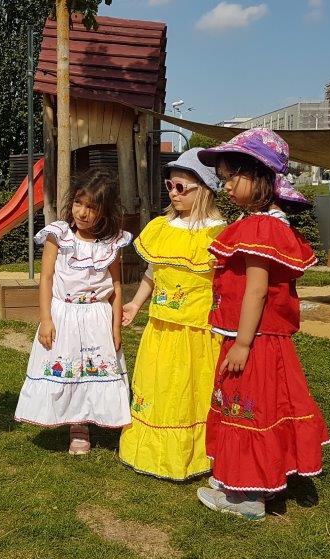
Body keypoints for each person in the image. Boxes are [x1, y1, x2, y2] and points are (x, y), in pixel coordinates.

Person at [194, 128, 330, 520]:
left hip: (252, 338)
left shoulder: (259, 228)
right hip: (264, 338)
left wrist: (240, 343)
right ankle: (255, 480)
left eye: (231, 177)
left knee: (246, 407)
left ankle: (247, 497)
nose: (226, 187)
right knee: (263, 408)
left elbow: (256, 292)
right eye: (223, 180)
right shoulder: (268, 223)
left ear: (260, 176)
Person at [117, 148, 227, 479]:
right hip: (161, 328)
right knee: (160, 386)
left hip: (197, 330)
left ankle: (194, 455)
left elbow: (225, 284)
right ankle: (151, 451)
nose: (173, 193)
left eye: (181, 188)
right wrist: (136, 304)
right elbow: (154, 270)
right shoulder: (163, 226)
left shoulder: (218, 232)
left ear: (204, 190)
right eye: (170, 186)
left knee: (190, 389)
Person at [15, 168, 132, 454]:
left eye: (91, 207)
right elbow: (46, 278)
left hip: (96, 317)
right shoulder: (59, 235)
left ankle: (93, 418)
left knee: (93, 367)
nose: (82, 212)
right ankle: (75, 426)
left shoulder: (111, 244)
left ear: (104, 211)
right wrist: (45, 319)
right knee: (69, 366)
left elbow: (116, 286)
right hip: (63, 315)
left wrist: (115, 328)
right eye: (79, 203)